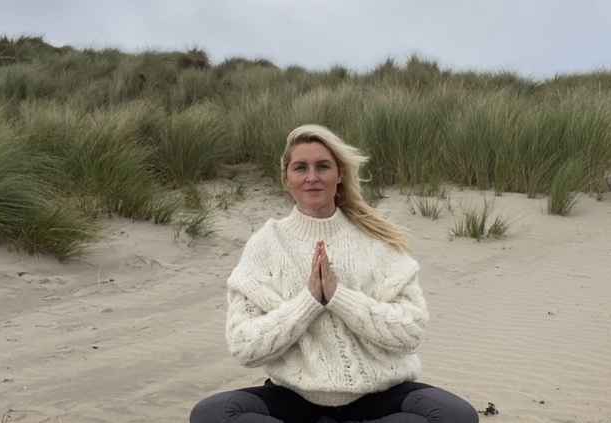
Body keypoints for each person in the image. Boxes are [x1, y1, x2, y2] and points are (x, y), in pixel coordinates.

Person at [190, 124, 479, 423]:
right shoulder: (265, 246)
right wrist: (308, 302)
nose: (312, 177)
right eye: (300, 167)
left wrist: (340, 298)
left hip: (378, 394)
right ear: (286, 178)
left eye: (323, 166)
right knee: (210, 414)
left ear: (339, 174)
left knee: (456, 415)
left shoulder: (376, 239)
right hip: (295, 397)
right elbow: (244, 346)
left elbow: (411, 332)